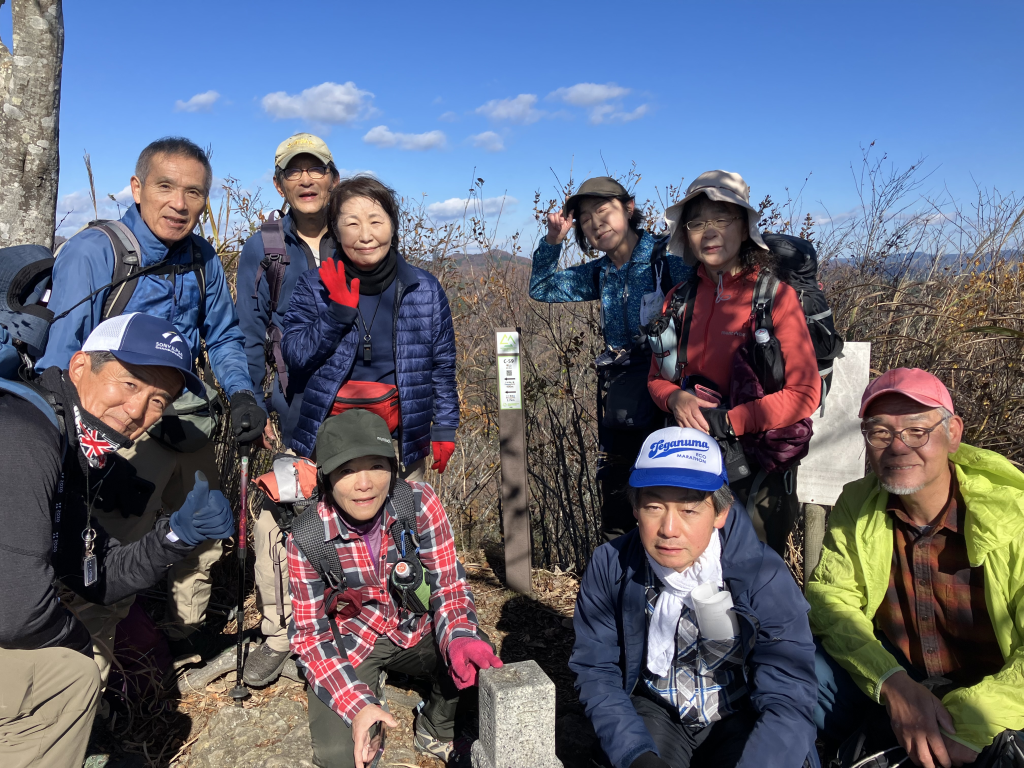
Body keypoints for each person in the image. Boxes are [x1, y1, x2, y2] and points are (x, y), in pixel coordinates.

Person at [37, 136, 266, 671]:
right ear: (137, 188)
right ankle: (88, 678)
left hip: (187, 423)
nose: (179, 203)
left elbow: (224, 336)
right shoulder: (97, 253)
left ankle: (179, 640)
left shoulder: (202, 259)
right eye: (165, 187)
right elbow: (61, 361)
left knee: (205, 539)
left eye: (193, 192)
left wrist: (241, 393)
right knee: (107, 559)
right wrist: (80, 453)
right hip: (118, 433)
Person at [0, 313, 235, 768]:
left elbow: (97, 573)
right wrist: (77, 641)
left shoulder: (66, 441)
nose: (137, 412)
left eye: (157, 399)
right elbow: (18, 612)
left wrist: (176, 534)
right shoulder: (24, 435)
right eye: (128, 384)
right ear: (80, 366)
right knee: (68, 674)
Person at [806, 368, 1024, 768]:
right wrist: (893, 685)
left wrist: (968, 725)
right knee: (802, 663)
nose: (898, 446)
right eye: (880, 432)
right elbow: (830, 600)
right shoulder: (858, 505)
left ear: (953, 433)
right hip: (902, 678)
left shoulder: (1013, 515)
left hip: (997, 697)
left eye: (917, 431)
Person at [570, 425, 819, 768]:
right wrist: (635, 754)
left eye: (689, 510)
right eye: (654, 507)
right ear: (634, 509)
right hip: (658, 711)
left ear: (720, 512)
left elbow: (790, 693)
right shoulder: (611, 566)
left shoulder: (762, 575)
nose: (669, 529)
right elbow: (596, 668)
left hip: (742, 714)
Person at [287, 409, 500, 768]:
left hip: (415, 629)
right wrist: (356, 707)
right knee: (341, 758)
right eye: (347, 470)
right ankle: (370, 694)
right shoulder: (308, 536)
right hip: (356, 642)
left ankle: (436, 728)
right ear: (326, 478)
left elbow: (448, 586)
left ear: (393, 466)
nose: (365, 483)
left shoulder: (417, 503)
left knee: (472, 652)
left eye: (377, 465)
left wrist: (460, 636)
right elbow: (310, 636)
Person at [647, 171, 820, 555]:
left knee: (750, 579)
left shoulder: (774, 296)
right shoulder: (678, 299)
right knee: (692, 574)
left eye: (721, 219)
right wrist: (675, 400)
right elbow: (657, 378)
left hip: (754, 469)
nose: (709, 232)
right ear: (686, 236)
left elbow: (805, 393)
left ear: (744, 228)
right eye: (697, 222)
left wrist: (730, 421)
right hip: (691, 460)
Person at [530, 176, 694, 541]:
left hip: (671, 398)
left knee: (667, 495)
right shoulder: (601, 272)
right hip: (621, 398)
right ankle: (619, 585)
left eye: (603, 211)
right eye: (585, 218)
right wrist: (553, 242)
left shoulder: (667, 258)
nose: (595, 223)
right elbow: (541, 288)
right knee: (619, 498)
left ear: (629, 209)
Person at [235, 133, 339, 686]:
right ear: (280, 184)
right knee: (280, 514)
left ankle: (337, 624)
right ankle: (279, 632)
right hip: (289, 404)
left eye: (315, 170)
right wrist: (253, 400)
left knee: (349, 508)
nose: (305, 180)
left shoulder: (355, 236)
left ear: (332, 178)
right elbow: (250, 332)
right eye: (293, 173)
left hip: (351, 406)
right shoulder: (266, 246)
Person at [282, 175, 458, 479]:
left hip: (401, 437)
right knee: (289, 525)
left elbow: (441, 367)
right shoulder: (315, 286)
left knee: (404, 522)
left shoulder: (423, 289)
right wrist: (335, 315)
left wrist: (444, 426)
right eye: (352, 224)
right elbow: (294, 357)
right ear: (335, 232)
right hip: (325, 431)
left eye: (376, 221)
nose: (366, 236)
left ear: (392, 226)